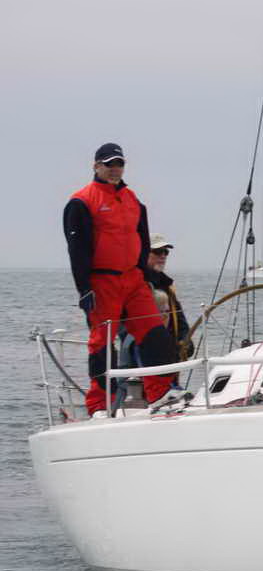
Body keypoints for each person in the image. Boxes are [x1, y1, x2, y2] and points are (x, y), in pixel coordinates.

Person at [63, 143, 178, 415]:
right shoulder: (81, 201)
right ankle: (99, 405)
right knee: (102, 344)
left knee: (156, 335)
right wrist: (84, 289)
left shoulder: (133, 199)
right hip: (102, 282)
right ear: (96, 166)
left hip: (134, 280)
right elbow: (77, 250)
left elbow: (143, 239)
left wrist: (147, 277)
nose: (115, 169)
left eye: (119, 164)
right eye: (109, 164)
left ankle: (161, 394)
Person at [145, 233, 192, 360]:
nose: (163, 256)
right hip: (145, 354)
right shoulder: (137, 284)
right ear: (144, 253)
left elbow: (179, 318)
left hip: (170, 354)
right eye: (157, 251)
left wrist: (186, 340)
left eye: (165, 252)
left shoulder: (167, 285)